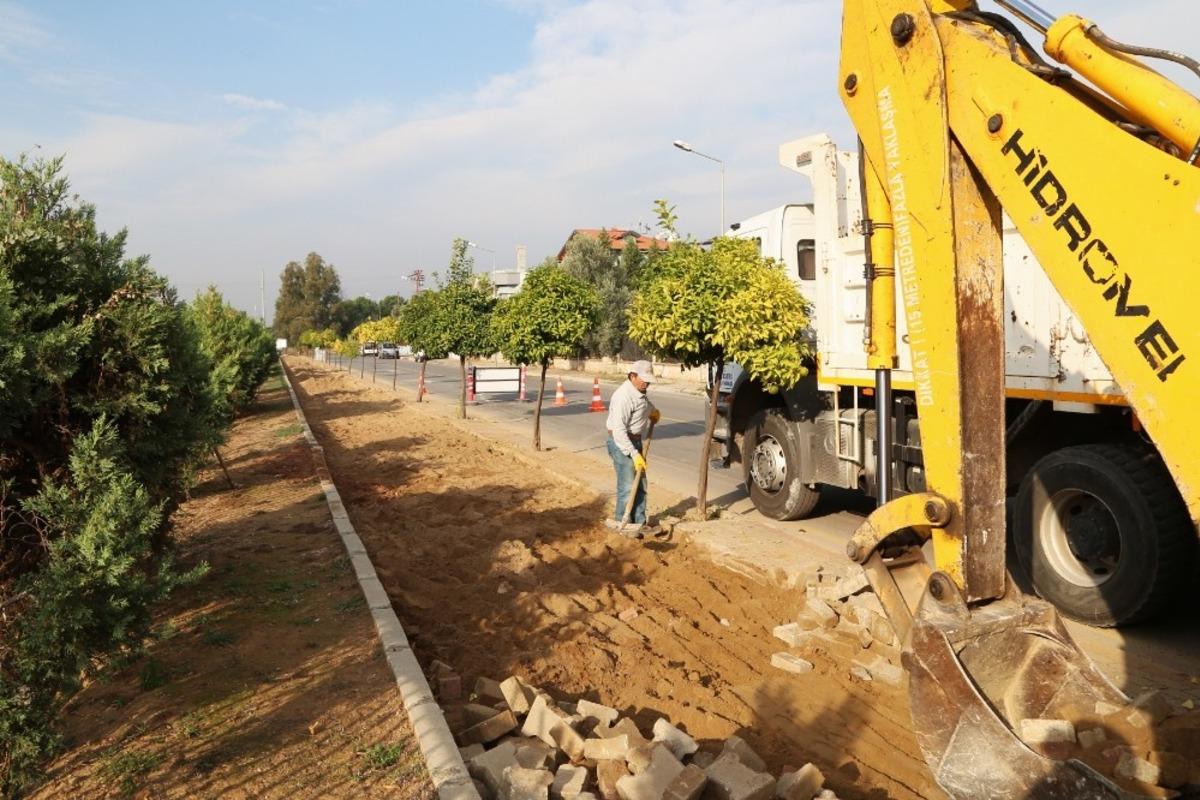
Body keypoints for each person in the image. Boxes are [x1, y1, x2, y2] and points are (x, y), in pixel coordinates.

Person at [605, 360, 661, 538]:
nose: (647, 383)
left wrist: (651, 410)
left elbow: (643, 404)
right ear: (632, 376)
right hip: (622, 443)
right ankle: (624, 524)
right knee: (628, 487)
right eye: (643, 379)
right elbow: (619, 432)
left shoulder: (639, 391)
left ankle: (639, 523)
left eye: (648, 379)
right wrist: (634, 454)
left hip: (635, 441)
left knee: (641, 485)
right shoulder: (623, 397)